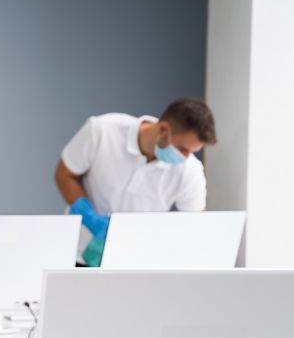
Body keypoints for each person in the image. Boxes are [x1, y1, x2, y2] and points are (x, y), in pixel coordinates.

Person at [54, 98, 217, 266]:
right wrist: (90, 217)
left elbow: (196, 225)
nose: (185, 157)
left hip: (137, 261)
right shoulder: (102, 131)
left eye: (192, 152)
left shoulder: (190, 170)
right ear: (163, 129)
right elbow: (64, 173)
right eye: (183, 149)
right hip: (78, 253)